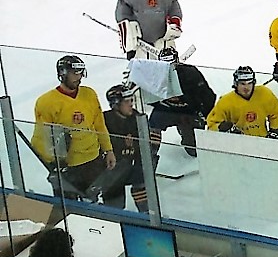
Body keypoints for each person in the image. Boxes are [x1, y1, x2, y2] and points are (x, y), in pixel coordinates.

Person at [31, 56, 116, 201]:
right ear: (62, 74)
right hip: (67, 167)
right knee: (69, 210)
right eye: (74, 73)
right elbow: (41, 138)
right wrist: (53, 164)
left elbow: (99, 125)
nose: (79, 77)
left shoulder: (89, 94)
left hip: (93, 161)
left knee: (93, 204)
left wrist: (108, 150)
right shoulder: (46, 102)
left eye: (80, 73)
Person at [148, 47, 216, 158]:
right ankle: (149, 157)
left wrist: (205, 115)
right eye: (164, 64)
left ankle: (187, 134)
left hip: (189, 113)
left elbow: (207, 95)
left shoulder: (191, 73)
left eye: (171, 64)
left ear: (177, 61)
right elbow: (149, 97)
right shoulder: (155, 76)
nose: (168, 68)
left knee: (194, 151)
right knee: (151, 128)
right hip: (166, 111)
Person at [102, 83, 151, 211]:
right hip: (109, 172)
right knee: (115, 209)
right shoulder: (103, 121)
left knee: (141, 176)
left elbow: (143, 145)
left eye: (132, 100)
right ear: (116, 104)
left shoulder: (136, 118)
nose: (131, 104)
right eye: (127, 101)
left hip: (127, 166)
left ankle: (146, 214)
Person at [206, 66, 278, 139]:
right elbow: (211, 124)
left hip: (262, 140)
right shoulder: (225, 101)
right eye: (242, 84)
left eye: (250, 83)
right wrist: (222, 127)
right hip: (237, 144)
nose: (246, 87)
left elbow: (276, 112)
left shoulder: (264, 93)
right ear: (236, 84)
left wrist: (276, 128)